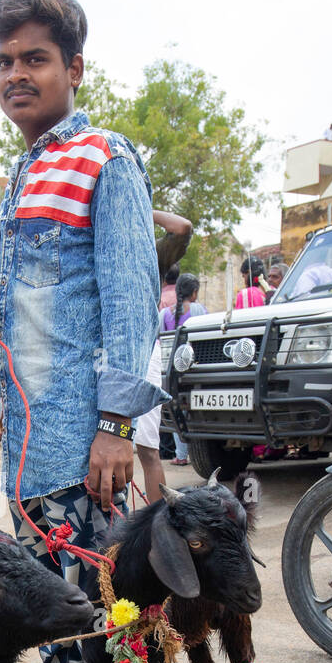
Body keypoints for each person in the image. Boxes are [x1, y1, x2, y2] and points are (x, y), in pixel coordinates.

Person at [0, 0, 165, 663]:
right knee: (43, 592)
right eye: (5, 61)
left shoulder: (105, 159)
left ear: (74, 69)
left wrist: (117, 429)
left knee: (96, 603)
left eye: (35, 59)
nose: (17, 74)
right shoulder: (22, 174)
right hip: (28, 450)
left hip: (84, 441)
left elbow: (129, 298)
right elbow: (54, 299)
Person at [136, 210, 194, 502]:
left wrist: (140, 204)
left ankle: (156, 524)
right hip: (99, 355)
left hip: (142, 350)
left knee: (147, 448)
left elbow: (182, 228)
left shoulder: (149, 252)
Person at [162, 273, 207, 465]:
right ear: (194, 292)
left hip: (172, 370)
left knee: (174, 410)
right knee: (194, 410)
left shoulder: (165, 314)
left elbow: (160, 339)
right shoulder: (198, 310)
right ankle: (196, 454)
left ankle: (180, 455)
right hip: (193, 369)